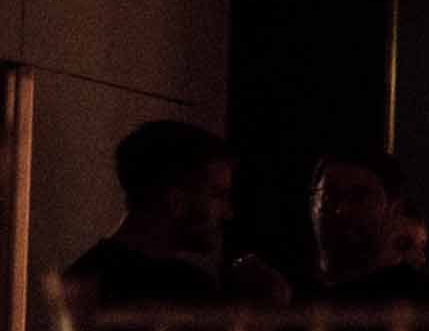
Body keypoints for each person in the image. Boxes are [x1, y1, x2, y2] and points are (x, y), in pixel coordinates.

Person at [60, 120, 283, 304]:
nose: (228, 213)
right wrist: (271, 301)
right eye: (217, 194)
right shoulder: (180, 288)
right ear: (176, 201)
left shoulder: (80, 277)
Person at [307, 150, 429, 301]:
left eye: (359, 197)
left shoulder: (426, 304)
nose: (341, 210)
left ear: (394, 208)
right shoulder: (296, 296)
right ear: (313, 204)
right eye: (329, 197)